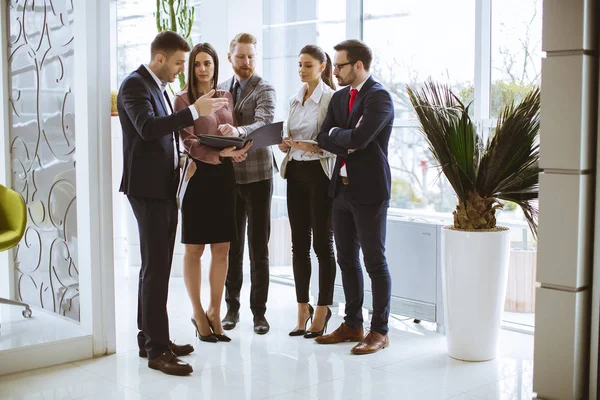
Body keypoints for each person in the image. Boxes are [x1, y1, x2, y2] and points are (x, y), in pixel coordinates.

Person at [118, 31, 228, 375]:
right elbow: (148, 129)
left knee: (157, 266)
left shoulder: (159, 88)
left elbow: (164, 136)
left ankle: (150, 337)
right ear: (160, 58)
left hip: (164, 187)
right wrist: (195, 110)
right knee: (156, 268)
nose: (183, 70)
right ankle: (157, 350)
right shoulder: (135, 86)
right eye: (180, 62)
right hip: (147, 190)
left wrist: (182, 159)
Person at [314, 40, 394, 355]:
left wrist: (339, 137)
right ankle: (352, 324)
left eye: (340, 65)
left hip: (370, 191)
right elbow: (322, 136)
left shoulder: (379, 97)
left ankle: (380, 330)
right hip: (341, 189)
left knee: (374, 261)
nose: (335, 70)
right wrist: (339, 138)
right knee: (346, 259)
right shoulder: (339, 97)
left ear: (358, 65)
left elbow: (361, 139)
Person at [174, 43, 252, 344]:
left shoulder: (226, 96)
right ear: (191, 67)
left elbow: (229, 130)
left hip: (224, 178)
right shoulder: (182, 99)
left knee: (222, 249)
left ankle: (215, 311)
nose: (203, 69)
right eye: (197, 64)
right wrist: (222, 155)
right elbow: (188, 142)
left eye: (208, 63)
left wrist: (237, 144)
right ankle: (197, 311)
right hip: (198, 177)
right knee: (195, 249)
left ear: (215, 66)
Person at [217, 33, 277, 335]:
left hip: (258, 177)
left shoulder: (265, 88)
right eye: (241, 56)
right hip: (230, 176)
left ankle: (259, 313)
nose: (247, 62)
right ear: (230, 58)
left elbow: (263, 123)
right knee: (232, 247)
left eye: (251, 56)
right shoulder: (221, 89)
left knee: (258, 247)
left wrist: (238, 131)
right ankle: (232, 308)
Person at [278, 45, 337, 338]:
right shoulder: (293, 99)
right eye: (300, 65)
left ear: (322, 67)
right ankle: (303, 308)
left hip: (320, 175)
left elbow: (333, 143)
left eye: (308, 65)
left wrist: (310, 146)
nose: (302, 70)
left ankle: (323, 309)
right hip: (296, 174)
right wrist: (286, 143)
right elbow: (289, 135)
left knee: (322, 245)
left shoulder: (330, 99)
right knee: (298, 245)